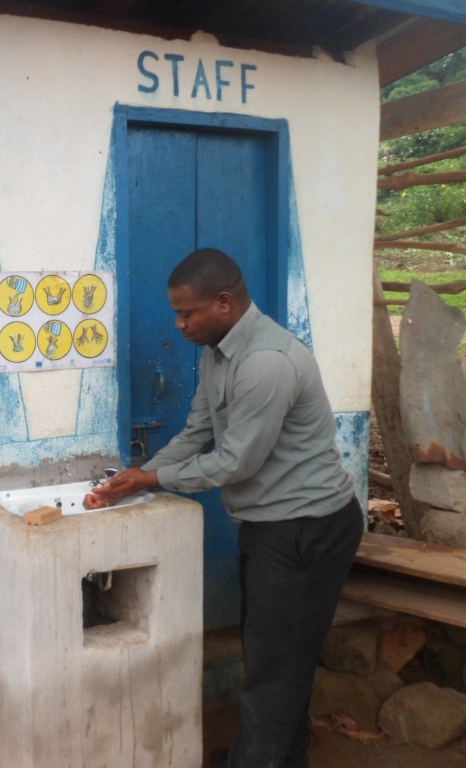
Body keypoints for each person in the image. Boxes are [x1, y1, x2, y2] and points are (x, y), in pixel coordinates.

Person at [90, 247, 363, 768]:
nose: (179, 323)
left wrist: (155, 478)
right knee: (279, 660)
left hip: (305, 528)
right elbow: (198, 431)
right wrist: (139, 480)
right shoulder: (217, 354)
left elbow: (236, 461)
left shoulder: (265, 363)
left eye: (187, 313)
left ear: (224, 302)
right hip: (274, 526)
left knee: (274, 668)